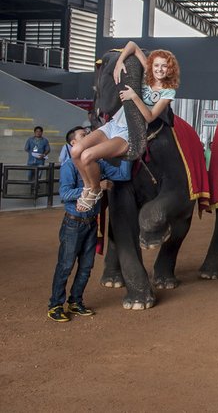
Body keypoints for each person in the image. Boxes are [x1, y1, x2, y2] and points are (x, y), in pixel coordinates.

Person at [71, 42, 179, 213]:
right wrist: (120, 62)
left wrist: (134, 97)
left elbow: (150, 117)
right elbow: (133, 46)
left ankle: (96, 189)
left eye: (164, 66)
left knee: (87, 157)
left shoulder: (168, 92)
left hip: (130, 133)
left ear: (170, 69)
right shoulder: (148, 74)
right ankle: (89, 187)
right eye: (156, 65)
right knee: (75, 151)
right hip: (114, 124)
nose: (159, 69)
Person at [48, 126, 131, 322]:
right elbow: (65, 194)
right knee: (66, 265)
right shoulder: (69, 166)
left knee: (86, 266)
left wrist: (127, 151)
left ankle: (76, 301)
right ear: (73, 144)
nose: (89, 137)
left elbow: (123, 175)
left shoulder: (99, 163)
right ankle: (56, 305)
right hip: (73, 223)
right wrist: (93, 187)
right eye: (84, 136)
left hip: (91, 223)